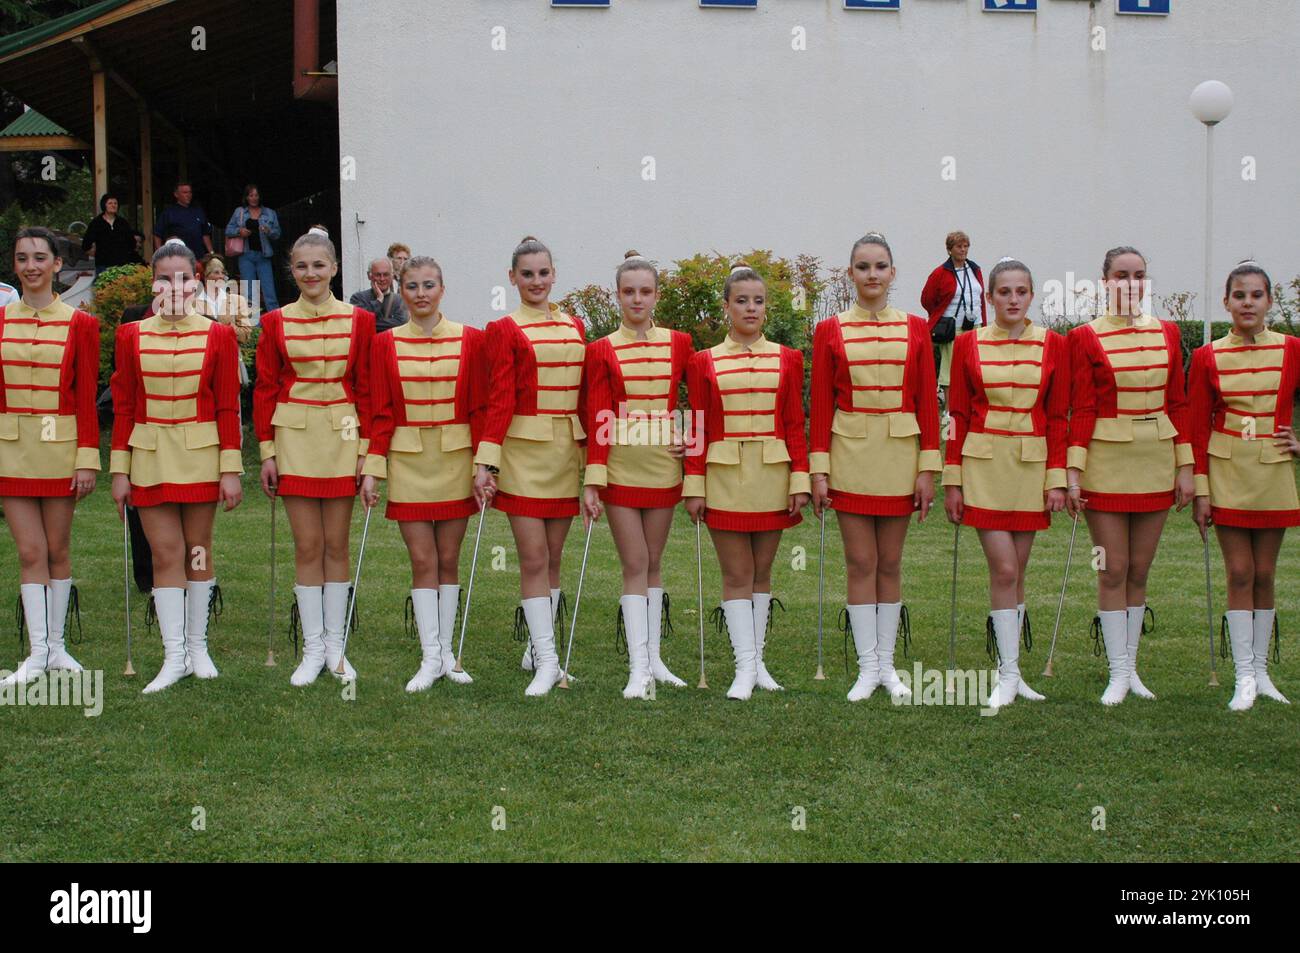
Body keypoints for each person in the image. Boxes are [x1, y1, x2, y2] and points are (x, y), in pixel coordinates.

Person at [810, 232, 940, 703]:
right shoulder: (830, 329)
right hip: (850, 457)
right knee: (860, 562)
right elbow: (821, 404)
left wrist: (928, 468)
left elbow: (927, 400)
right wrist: (819, 470)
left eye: (880, 266)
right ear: (851, 274)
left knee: (890, 562)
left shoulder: (916, 328)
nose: (872, 275)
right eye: (863, 267)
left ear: (892, 273)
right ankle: (867, 668)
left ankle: (888, 666)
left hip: (901, 460)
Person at [109, 243, 244, 693]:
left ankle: (198, 646)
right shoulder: (130, 335)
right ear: (153, 284)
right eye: (164, 278)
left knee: (197, 550)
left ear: (197, 281)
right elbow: (124, 406)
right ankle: (174, 657)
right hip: (149, 458)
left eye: (184, 278)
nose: (174, 287)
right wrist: (119, 470)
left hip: (201, 458)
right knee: (165, 554)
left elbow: (228, 405)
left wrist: (230, 469)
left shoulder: (218, 335)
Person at [1068, 246, 1194, 706]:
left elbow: (1178, 402)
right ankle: (1116, 673)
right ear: (1105, 282)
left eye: (1139, 275)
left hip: (1155, 461)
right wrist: (1075, 472)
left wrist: (1185, 466)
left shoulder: (1168, 331)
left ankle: (1132, 667)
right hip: (1105, 465)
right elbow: (1081, 406)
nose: (1130, 283)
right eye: (1121, 275)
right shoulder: (1083, 337)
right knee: (1110, 566)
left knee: (1139, 569)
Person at [942, 258, 1068, 710]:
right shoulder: (967, 344)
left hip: (1030, 469)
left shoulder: (1054, 345)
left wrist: (1056, 478)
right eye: (1004, 292)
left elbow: (1057, 418)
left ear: (1031, 295)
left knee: (1020, 572)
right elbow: (956, 417)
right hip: (983, 466)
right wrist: (952, 480)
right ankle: (1007, 673)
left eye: (1021, 291)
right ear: (989, 297)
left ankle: (1014, 674)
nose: (1013, 300)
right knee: (1005, 569)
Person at [684, 263, 810, 701]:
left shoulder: (788, 358)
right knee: (736, 573)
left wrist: (800, 480)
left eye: (758, 301)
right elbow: (697, 427)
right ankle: (743, 668)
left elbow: (795, 423)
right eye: (741, 300)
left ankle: (758, 663)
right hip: (723, 477)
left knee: (762, 572)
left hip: (773, 476)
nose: (750, 308)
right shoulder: (703, 361)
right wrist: (694, 486)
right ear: (727, 307)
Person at [360, 256, 485, 691]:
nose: (421, 294)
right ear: (401, 290)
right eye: (411, 286)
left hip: (456, 460)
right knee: (421, 559)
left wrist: (483, 464)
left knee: (449, 559)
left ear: (443, 289)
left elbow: (479, 408)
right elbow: (379, 413)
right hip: (409, 462)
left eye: (429, 285)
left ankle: (448, 652)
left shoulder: (472, 340)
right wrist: (372, 470)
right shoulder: (384, 344)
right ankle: (429, 656)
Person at [255, 228, 373, 687]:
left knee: (336, 545)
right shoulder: (275, 322)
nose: (310, 274)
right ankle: (311, 649)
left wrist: (366, 452)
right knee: (307, 545)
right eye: (301, 266)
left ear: (335, 269)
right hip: (295, 440)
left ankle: (337, 648)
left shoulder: (360, 321)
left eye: (319, 265)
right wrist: (267, 451)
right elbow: (265, 388)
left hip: (344, 439)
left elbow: (366, 387)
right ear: (292, 271)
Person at [473, 236, 586, 697]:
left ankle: (536, 652)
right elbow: (498, 398)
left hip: (564, 455)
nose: (536, 282)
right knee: (533, 557)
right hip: (522, 454)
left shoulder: (576, 326)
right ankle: (548, 662)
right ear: (512, 278)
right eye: (527, 274)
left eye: (543, 273)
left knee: (555, 558)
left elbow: (585, 394)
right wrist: (487, 461)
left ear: (554, 274)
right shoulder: (502, 328)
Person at [583, 251, 694, 698]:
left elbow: (703, 394)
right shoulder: (601, 349)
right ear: (617, 296)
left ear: (656, 296)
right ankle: (637, 667)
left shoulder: (680, 343)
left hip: (664, 466)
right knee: (635, 563)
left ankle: (655, 659)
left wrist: (693, 437)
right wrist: (594, 478)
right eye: (629, 292)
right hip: (621, 466)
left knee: (654, 562)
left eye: (645, 291)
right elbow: (596, 415)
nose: (637, 299)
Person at [1190, 261, 1299, 710]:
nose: (1247, 303)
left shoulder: (1293, 349)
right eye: (1239, 296)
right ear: (1227, 302)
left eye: (1256, 295)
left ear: (1269, 301)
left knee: (1267, 574)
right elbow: (1195, 426)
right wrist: (1200, 489)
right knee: (1239, 572)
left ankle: (1262, 672)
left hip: (1273, 469)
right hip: (1227, 469)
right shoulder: (1206, 356)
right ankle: (1242, 677)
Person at [0, 227, 100, 686]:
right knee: (30, 550)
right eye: (23, 258)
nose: (31, 266)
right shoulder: (1, 320)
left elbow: (84, 399)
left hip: (60, 449)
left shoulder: (81, 324)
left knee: (57, 549)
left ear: (58, 265)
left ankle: (57, 648)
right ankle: (37, 653)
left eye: (40, 257)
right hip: (11, 452)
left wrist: (86, 459)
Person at [921, 231, 986, 405]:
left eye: (966, 246)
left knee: (975, 368)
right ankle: (951, 413)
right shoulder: (940, 273)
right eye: (959, 246)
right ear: (950, 249)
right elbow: (927, 299)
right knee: (950, 371)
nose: (963, 250)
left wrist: (984, 324)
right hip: (953, 327)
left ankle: (971, 407)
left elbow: (980, 299)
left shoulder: (974, 269)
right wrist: (940, 314)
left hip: (975, 326)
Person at [223, 183, 282, 312]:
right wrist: (240, 231)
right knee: (249, 292)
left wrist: (269, 230)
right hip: (246, 255)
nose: (254, 198)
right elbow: (228, 230)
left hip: (264, 255)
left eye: (256, 195)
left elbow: (277, 234)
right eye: (251, 195)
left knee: (269, 291)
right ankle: (252, 324)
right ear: (246, 197)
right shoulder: (239, 212)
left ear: (260, 197)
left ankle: (275, 320)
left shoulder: (270, 213)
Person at [195, 253, 254, 345]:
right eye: (216, 272)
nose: (221, 276)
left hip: (229, 352)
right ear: (206, 276)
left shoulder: (237, 301)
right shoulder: (193, 303)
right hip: (203, 354)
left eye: (223, 272)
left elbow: (246, 335)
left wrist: (227, 327)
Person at [81, 193, 143, 276]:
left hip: (122, 266)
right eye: (110, 203)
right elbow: (86, 244)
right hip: (103, 266)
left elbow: (131, 243)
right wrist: (99, 254)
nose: (113, 205)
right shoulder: (96, 223)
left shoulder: (122, 223)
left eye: (115, 203)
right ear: (104, 205)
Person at [153, 182, 213, 259]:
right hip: (177, 257)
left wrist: (211, 253)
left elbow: (205, 234)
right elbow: (157, 234)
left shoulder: (198, 211)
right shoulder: (169, 212)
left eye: (190, 192)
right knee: (181, 272)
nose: (188, 195)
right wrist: (159, 253)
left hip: (198, 257)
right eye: (185, 192)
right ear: (176, 194)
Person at [350, 257, 408, 333]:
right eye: (378, 275)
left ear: (392, 276)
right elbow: (360, 323)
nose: (382, 279)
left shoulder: (400, 300)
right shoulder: (358, 298)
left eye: (386, 274)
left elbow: (401, 323)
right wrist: (378, 301)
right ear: (369, 276)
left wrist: (372, 323)